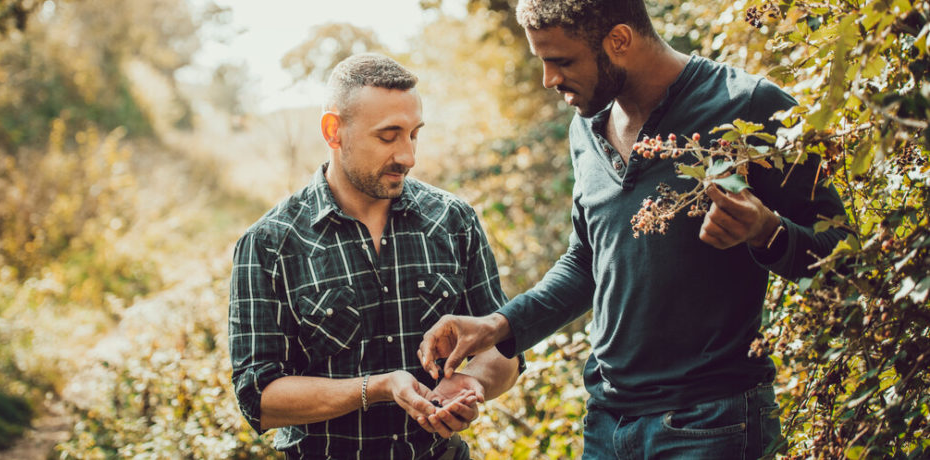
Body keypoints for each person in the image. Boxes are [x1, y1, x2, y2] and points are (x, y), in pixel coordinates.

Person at [417, 1, 850, 458]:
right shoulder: (585, 129)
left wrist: (767, 230)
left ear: (619, 40)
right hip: (607, 424)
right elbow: (587, 262)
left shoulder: (750, 105)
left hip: (712, 424)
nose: (549, 79)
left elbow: (843, 256)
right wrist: (496, 325)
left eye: (561, 61)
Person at [228, 53, 522, 459]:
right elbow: (258, 396)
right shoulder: (269, 243)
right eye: (388, 136)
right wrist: (377, 388)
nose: (408, 156)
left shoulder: (454, 221)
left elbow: (503, 348)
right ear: (334, 131)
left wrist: (473, 385)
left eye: (414, 134)